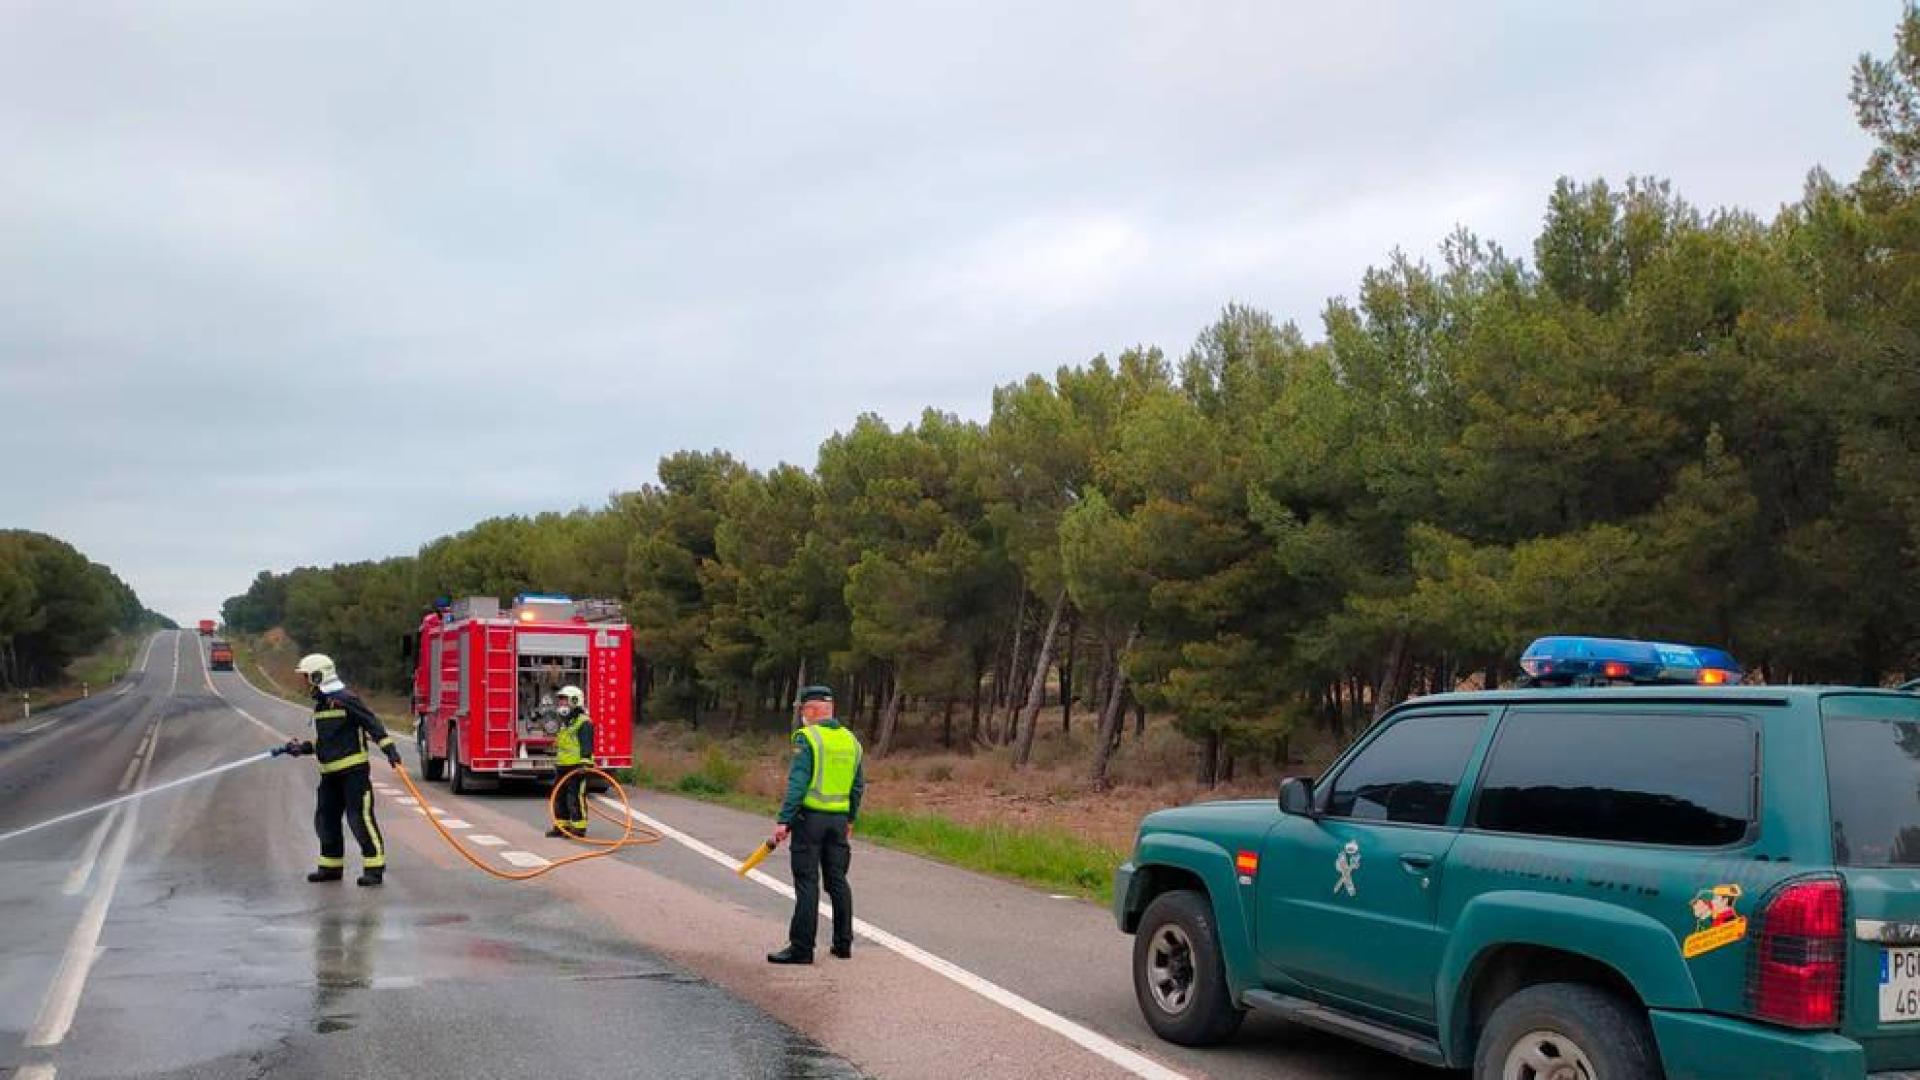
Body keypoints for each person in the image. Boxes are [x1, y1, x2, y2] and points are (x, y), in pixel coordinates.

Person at [280, 653, 402, 886]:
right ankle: (331, 866)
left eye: (306, 677)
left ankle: (374, 868)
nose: (303, 682)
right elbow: (326, 742)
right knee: (326, 819)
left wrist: (389, 750)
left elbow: (371, 723)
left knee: (359, 818)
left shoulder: (346, 699)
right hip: (329, 775)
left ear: (318, 676)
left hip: (353, 774)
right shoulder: (322, 705)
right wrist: (301, 748)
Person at [767, 685, 865, 965]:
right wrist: (850, 819)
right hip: (838, 821)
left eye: (802, 709)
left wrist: (784, 820)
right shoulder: (851, 741)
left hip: (809, 821)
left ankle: (801, 948)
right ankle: (843, 944)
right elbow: (857, 786)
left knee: (807, 883)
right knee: (837, 881)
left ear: (811, 710)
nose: (801, 715)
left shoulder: (807, 738)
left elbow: (798, 782)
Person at [546, 685, 594, 838]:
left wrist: (584, 763)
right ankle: (561, 825)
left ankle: (579, 827)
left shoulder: (583, 722)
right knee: (559, 795)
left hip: (577, 766)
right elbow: (564, 741)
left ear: (575, 701)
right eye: (560, 701)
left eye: (564, 701)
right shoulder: (566, 721)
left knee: (575, 796)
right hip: (562, 766)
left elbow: (586, 744)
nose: (561, 704)